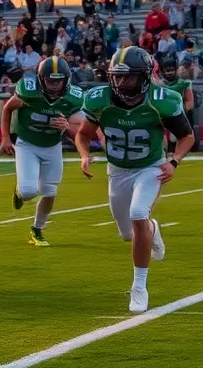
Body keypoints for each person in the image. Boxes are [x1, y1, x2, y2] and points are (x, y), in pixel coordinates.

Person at [76, 46, 194, 313]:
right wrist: (84, 155)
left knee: (137, 213)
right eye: (116, 76)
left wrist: (174, 161)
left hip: (150, 167)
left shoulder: (162, 99)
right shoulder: (99, 99)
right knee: (128, 234)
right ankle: (152, 229)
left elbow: (187, 136)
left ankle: (139, 286)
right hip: (117, 171)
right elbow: (82, 134)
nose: (120, 82)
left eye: (127, 77)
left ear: (143, 76)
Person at [0, 56, 89, 246]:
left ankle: (37, 230)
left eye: (59, 80)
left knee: (50, 191)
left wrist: (67, 127)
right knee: (29, 191)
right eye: (50, 80)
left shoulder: (73, 98)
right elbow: (7, 109)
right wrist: (6, 137)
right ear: (41, 79)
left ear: (66, 79)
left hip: (52, 146)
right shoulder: (29, 92)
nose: (55, 85)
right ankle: (20, 192)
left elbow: (80, 131)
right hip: (27, 143)